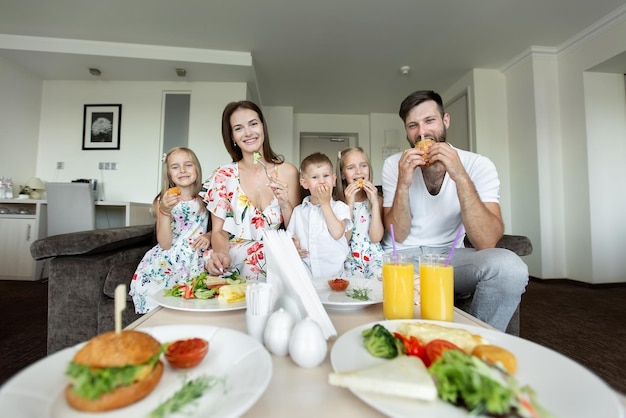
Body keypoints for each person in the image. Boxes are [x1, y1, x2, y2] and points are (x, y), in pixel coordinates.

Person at [382, 90, 528, 331]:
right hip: (402, 257)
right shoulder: (394, 165)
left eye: (430, 121)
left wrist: (459, 175)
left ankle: (476, 344)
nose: (422, 133)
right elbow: (397, 235)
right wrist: (404, 184)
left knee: (510, 268)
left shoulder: (478, 165)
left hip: (448, 259)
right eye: (412, 126)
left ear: (445, 121)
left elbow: (487, 240)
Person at [202, 100, 300, 281]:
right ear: (231, 136)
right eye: (238, 128)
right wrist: (222, 255)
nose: (248, 133)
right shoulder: (222, 175)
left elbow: (295, 227)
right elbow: (219, 232)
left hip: (275, 257)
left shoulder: (288, 172)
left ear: (263, 127)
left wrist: (285, 203)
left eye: (253, 124)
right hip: (234, 258)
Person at [130, 147, 212, 313]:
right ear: (169, 174)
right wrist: (164, 211)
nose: (182, 170)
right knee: (152, 284)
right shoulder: (164, 201)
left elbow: (217, 227)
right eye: (175, 167)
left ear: (197, 168)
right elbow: (165, 243)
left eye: (188, 165)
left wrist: (209, 236)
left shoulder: (207, 196)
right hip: (172, 252)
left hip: (197, 251)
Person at [287, 152, 353, 278]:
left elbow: (337, 233)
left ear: (333, 180)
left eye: (326, 176)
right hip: (306, 273)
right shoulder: (298, 211)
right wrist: (294, 247)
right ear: (304, 183)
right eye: (315, 177)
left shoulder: (340, 208)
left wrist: (325, 203)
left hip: (335, 274)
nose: (322, 181)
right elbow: (290, 237)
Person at [336, 146, 384, 279]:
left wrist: (374, 203)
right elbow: (344, 239)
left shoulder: (378, 200)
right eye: (351, 168)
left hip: (374, 256)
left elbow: (376, 238)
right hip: (348, 257)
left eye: (363, 166)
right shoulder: (337, 203)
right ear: (342, 174)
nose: (358, 171)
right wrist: (349, 205)